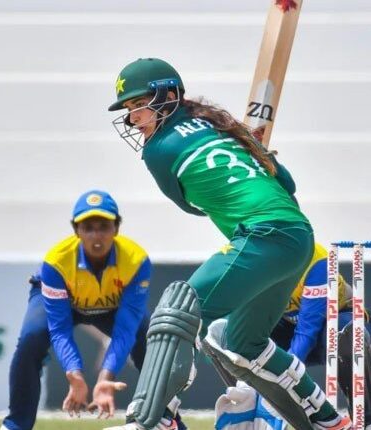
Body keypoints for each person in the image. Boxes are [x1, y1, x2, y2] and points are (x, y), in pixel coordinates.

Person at [106, 58, 351, 430]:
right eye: (129, 108)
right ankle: (328, 420)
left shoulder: (158, 150)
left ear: (169, 96)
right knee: (244, 343)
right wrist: (252, 155)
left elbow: (189, 206)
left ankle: (153, 419)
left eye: (140, 104)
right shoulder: (225, 128)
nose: (134, 117)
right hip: (299, 236)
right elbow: (287, 184)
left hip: (263, 234)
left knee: (179, 310)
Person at [1, 190, 163, 430]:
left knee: (152, 341)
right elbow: (60, 329)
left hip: (111, 306)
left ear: (116, 228)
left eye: (104, 227)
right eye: (88, 228)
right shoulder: (56, 262)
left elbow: (125, 330)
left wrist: (105, 378)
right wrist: (74, 374)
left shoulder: (136, 260)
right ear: (76, 230)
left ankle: (166, 419)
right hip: (66, 303)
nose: (96, 236)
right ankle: (15, 425)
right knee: (31, 339)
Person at [215, 242, 371, 430]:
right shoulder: (250, 262)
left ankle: (370, 422)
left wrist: (284, 379)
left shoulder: (315, 261)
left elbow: (307, 331)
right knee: (228, 338)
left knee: (347, 335)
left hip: (336, 318)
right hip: (288, 326)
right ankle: (251, 404)